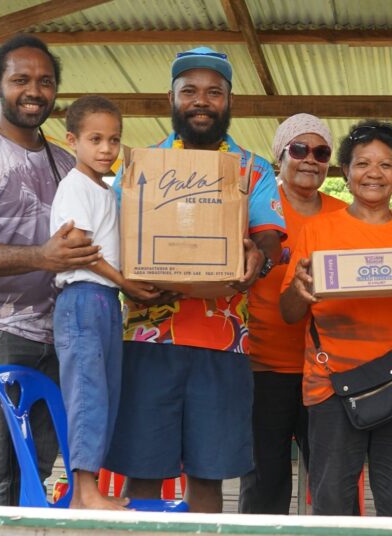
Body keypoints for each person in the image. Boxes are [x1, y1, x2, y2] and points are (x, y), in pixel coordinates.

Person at [105, 46, 286, 514]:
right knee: (143, 472)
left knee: (208, 476)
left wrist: (257, 257)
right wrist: (125, 278)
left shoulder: (255, 169)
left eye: (214, 92)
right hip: (147, 340)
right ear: (172, 98)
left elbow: (270, 240)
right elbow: (112, 242)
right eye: (190, 92)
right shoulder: (137, 167)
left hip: (223, 344)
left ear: (230, 101)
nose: (201, 101)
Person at [0, 35, 101, 506]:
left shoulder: (67, 162)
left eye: (45, 82)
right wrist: (41, 257)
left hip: (55, 336)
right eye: (21, 80)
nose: (34, 91)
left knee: (29, 473)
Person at [280, 119, 392, 516]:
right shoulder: (317, 230)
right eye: (362, 163)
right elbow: (290, 313)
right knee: (332, 503)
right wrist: (297, 289)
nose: (374, 173)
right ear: (345, 173)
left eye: (386, 165)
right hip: (329, 386)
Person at [50, 96, 161, 510]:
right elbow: (83, 249)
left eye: (114, 140)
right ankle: (83, 492)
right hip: (82, 298)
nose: (106, 149)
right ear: (72, 140)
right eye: (95, 139)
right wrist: (127, 284)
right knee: (89, 395)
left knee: (108, 395)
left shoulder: (105, 189)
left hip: (105, 300)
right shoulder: (75, 185)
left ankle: (87, 489)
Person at [239, 113, 346, 514]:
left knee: (330, 484)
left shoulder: (344, 213)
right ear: (278, 156)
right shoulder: (254, 206)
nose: (310, 159)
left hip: (327, 370)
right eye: (299, 149)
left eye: (321, 152)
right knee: (264, 482)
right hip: (263, 365)